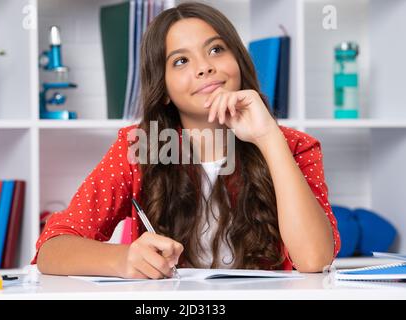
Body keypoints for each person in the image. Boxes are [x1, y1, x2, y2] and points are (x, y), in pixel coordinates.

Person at [33, 2, 340, 278]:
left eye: (216, 49)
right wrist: (123, 258)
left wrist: (268, 137)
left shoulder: (295, 146)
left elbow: (314, 259)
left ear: (239, 62)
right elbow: (52, 249)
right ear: (163, 90)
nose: (205, 66)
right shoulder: (138, 146)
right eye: (180, 61)